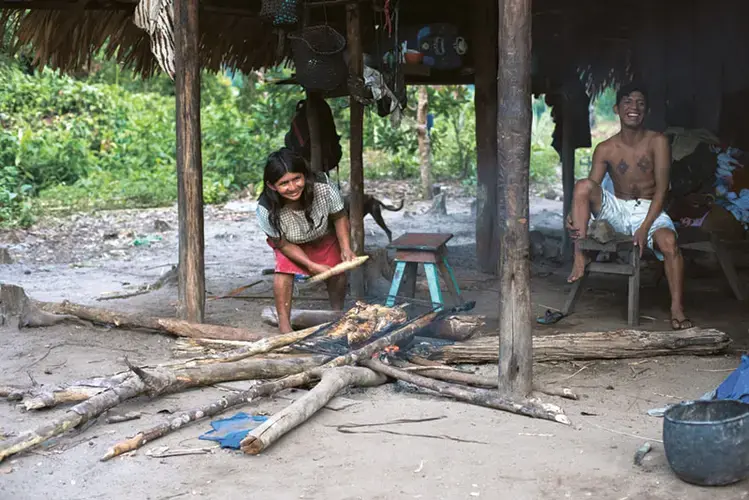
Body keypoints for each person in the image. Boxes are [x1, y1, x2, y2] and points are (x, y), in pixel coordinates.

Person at [565, 83, 692, 330]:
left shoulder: (658, 141)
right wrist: (574, 212)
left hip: (649, 208)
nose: (634, 107)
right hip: (618, 208)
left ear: (647, 110)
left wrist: (645, 228)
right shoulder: (605, 148)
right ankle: (579, 257)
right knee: (582, 186)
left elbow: (662, 189)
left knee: (669, 244)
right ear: (616, 108)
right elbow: (591, 188)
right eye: (627, 102)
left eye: (640, 103)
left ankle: (677, 307)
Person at [256, 148, 356, 333]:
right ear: (272, 186)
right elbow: (282, 244)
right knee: (283, 272)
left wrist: (346, 248)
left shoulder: (324, 188)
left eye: (297, 179)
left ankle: (337, 315)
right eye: (284, 183)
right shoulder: (265, 209)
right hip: (290, 245)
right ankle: (284, 325)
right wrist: (310, 265)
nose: (293, 187)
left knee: (338, 273)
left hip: (323, 235)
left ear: (305, 175)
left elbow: (340, 216)